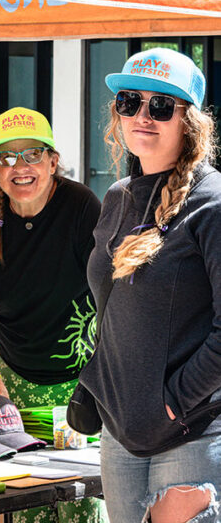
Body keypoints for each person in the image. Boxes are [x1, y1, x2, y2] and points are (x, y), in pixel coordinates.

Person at [78, 48, 221, 522]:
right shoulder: (118, 197)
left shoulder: (212, 202)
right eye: (129, 102)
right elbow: (111, 311)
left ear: (190, 121)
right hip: (119, 436)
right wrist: (93, 388)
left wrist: (173, 403)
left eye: (161, 106)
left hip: (191, 433)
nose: (143, 115)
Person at [0, 106, 107, 523]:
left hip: (84, 378)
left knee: (85, 505)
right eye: (7, 157)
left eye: (32, 154)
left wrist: (101, 381)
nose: (20, 167)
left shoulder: (81, 206)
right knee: (25, 504)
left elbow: (111, 298)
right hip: (14, 381)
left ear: (53, 161)